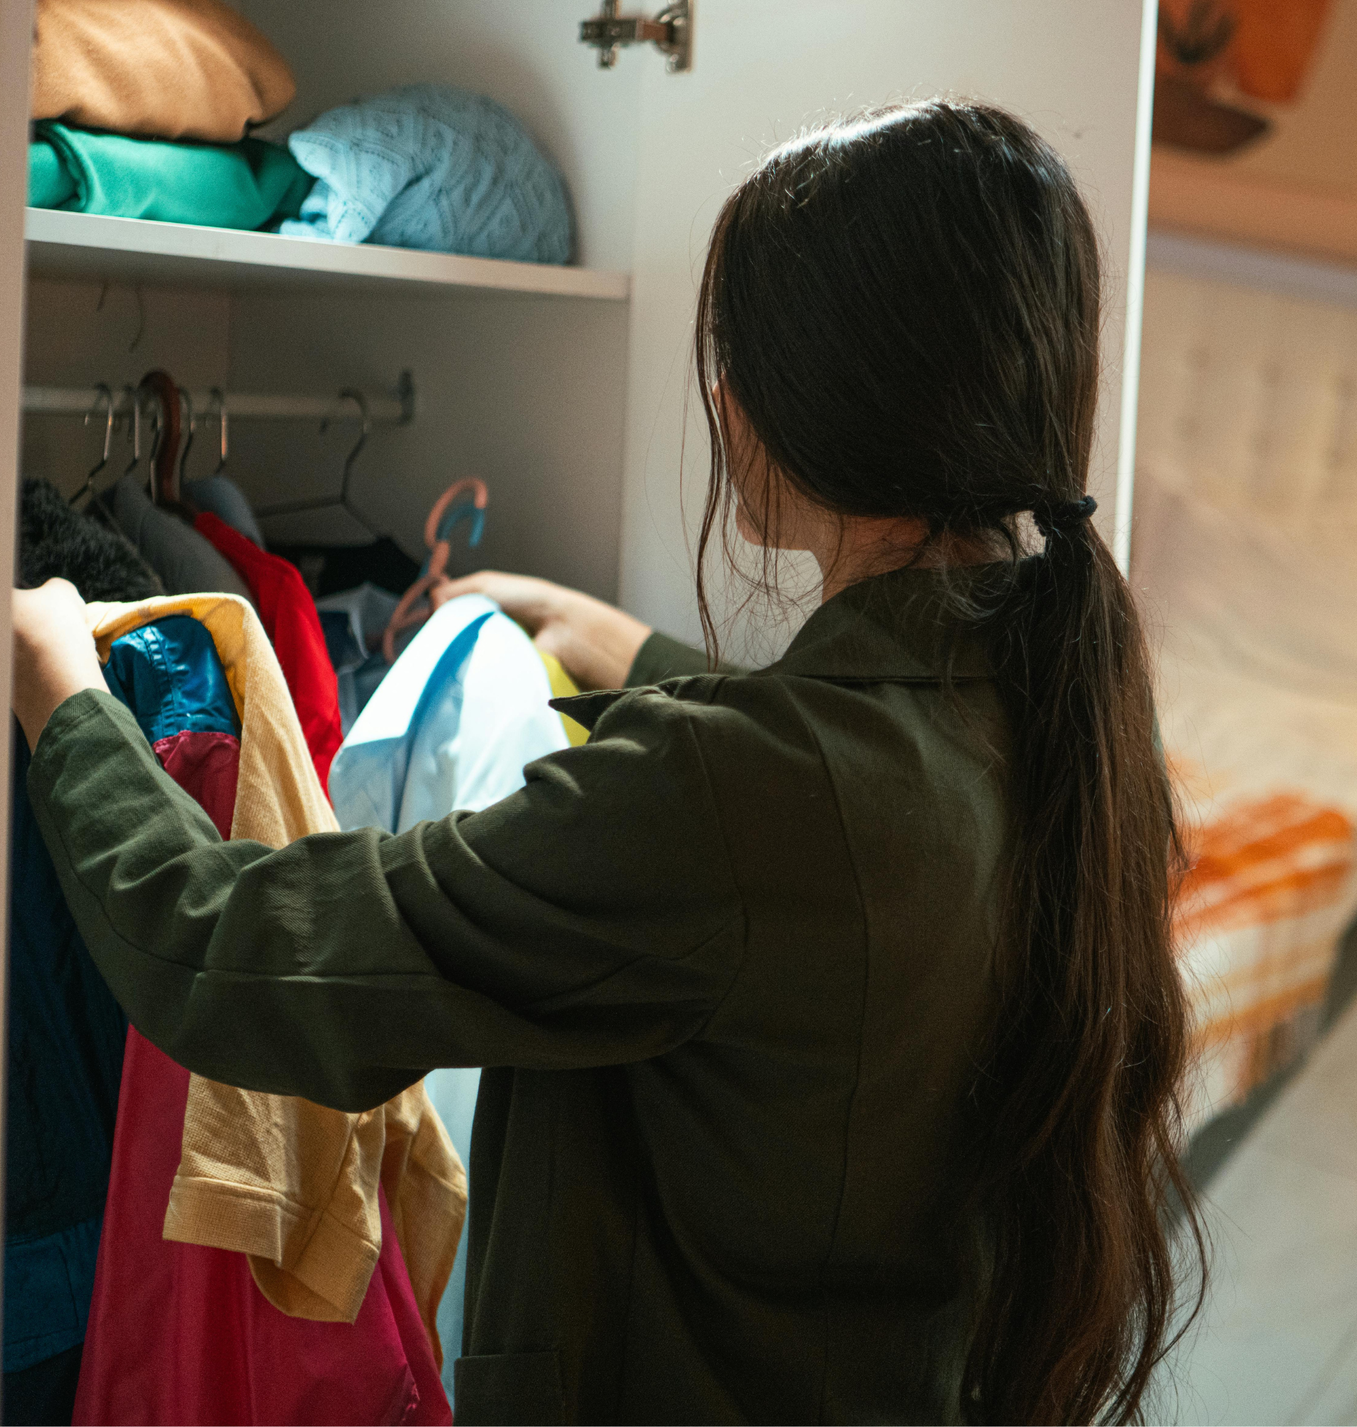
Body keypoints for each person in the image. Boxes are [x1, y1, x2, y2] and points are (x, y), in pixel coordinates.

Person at [12, 99, 1203, 1426]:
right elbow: (838, 812)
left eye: (736, 353)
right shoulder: (1063, 724)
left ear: (819, 402)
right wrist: (636, 655)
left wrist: (62, 691)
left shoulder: (738, 800)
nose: (718, 393)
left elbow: (218, 952)